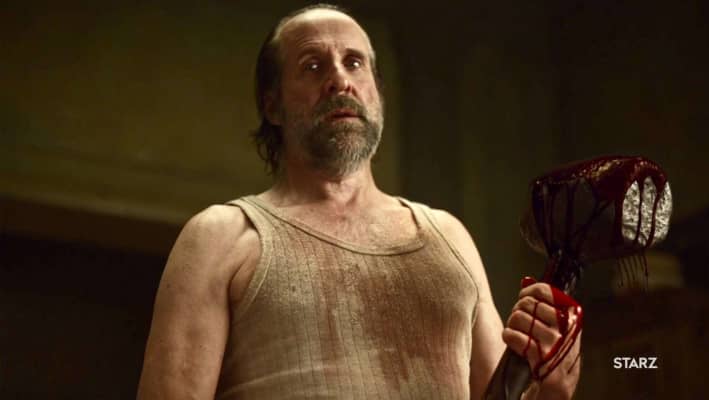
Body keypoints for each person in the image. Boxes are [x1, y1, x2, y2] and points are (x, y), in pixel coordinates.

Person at [137, 4, 582, 399]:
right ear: (272, 105)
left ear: (377, 94)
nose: (339, 80)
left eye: (354, 63)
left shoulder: (449, 238)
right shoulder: (221, 238)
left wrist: (552, 390)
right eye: (313, 66)